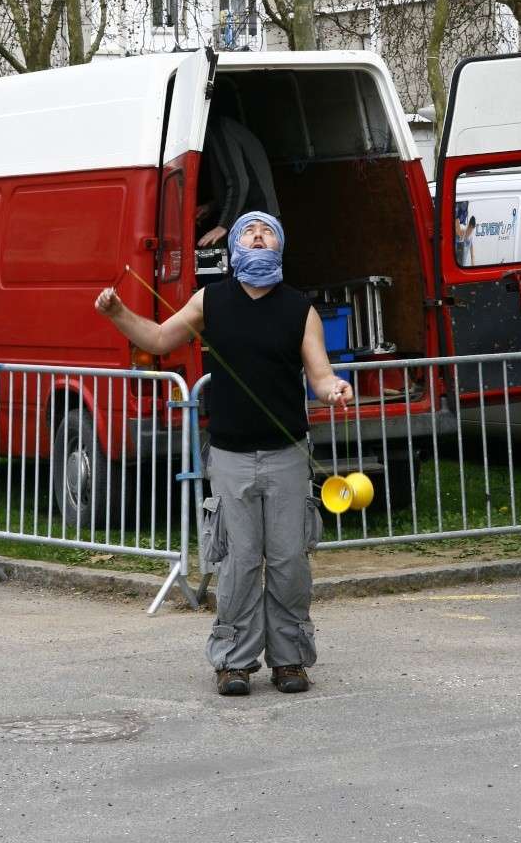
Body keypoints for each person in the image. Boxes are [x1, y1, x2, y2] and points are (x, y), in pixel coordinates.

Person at [95, 211, 352, 697]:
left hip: (287, 455)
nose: (259, 235)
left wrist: (334, 386)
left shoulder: (300, 309)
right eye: (250, 231)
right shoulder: (209, 300)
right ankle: (233, 662)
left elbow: (318, 376)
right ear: (235, 246)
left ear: (279, 246)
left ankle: (291, 659)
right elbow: (155, 338)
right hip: (231, 456)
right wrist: (116, 313)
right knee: (237, 563)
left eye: (268, 230)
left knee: (288, 562)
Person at [197, 115, 279, 247]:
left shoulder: (219, 130)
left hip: (256, 223)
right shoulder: (228, 128)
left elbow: (239, 183)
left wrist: (223, 225)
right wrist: (211, 206)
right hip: (261, 220)